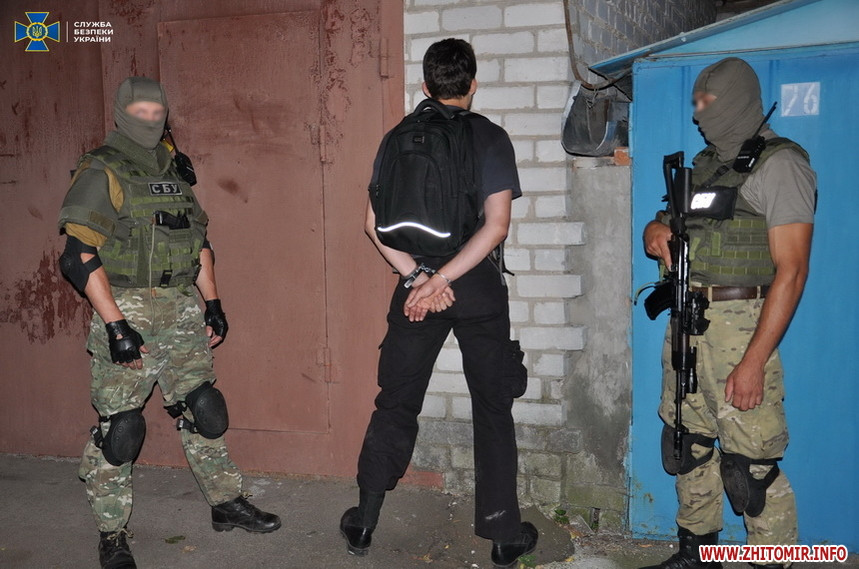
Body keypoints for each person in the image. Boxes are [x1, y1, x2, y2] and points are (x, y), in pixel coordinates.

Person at [57, 77, 280, 569]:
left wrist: (213, 303)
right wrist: (115, 326)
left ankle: (226, 502)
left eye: (156, 110)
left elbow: (198, 242)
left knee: (206, 409)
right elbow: (77, 255)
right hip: (127, 307)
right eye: (139, 109)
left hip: (180, 308)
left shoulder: (174, 168)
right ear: (122, 112)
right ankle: (112, 533)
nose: (149, 118)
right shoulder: (102, 168)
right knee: (122, 429)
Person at [339, 39, 538, 568]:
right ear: (473, 84)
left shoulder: (397, 137)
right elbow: (496, 226)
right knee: (491, 406)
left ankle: (364, 522)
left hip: (416, 288)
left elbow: (372, 226)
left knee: (397, 399)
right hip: (474, 285)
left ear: (425, 86)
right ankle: (503, 535)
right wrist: (445, 279)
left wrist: (421, 279)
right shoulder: (491, 137)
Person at [641, 58, 815, 569]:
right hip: (687, 323)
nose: (699, 114)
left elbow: (792, 272)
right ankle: (697, 553)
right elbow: (665, 220)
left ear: (739, 100)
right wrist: (655, 230)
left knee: (751, 464)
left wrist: (754, 361)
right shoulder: (705, 163)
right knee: (688, 444)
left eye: (709, 103)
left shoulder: (781, 165)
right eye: (697, 103)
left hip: (743, 329)